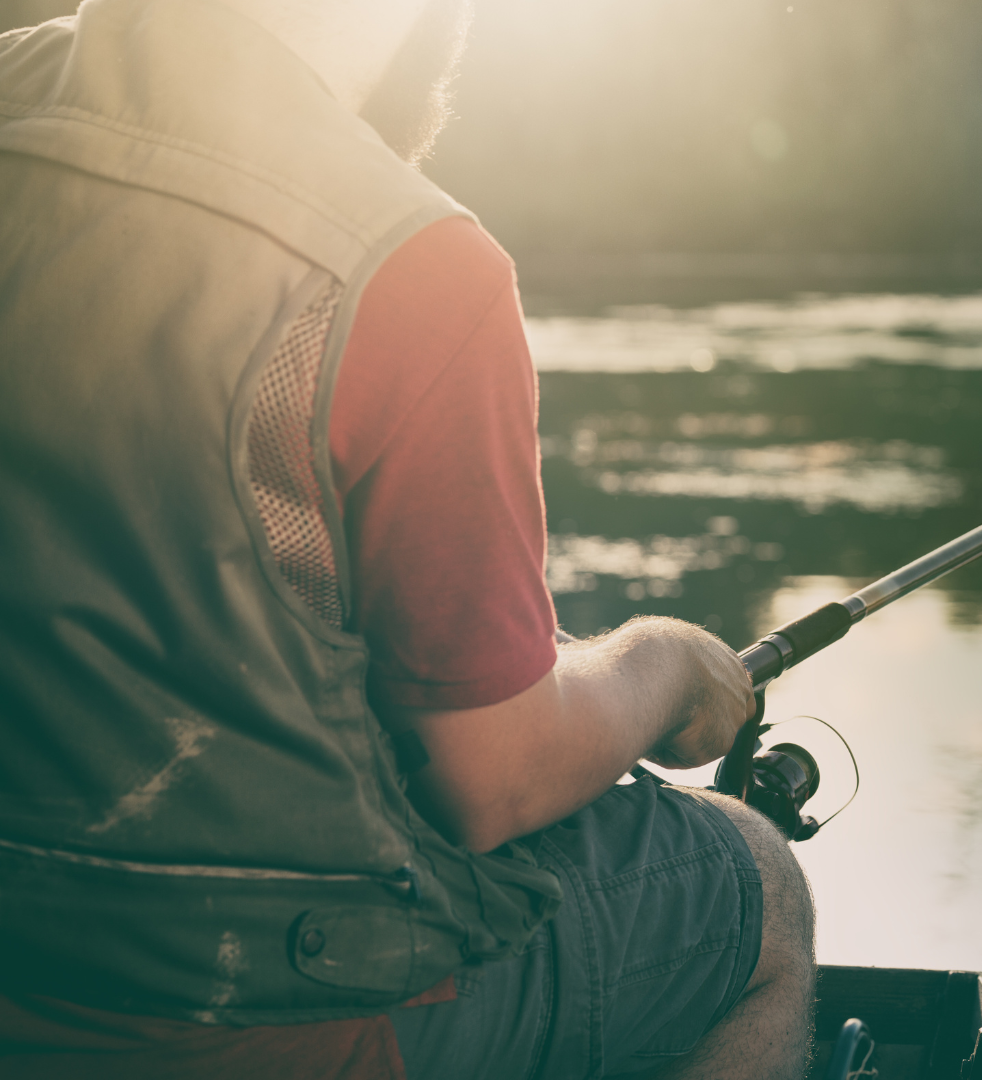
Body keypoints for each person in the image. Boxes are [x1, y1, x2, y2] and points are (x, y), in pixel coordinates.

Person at [0, 1, 814, 1077]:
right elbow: (491, 782)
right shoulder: (411, 262)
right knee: (757, 888)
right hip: (267, 1023)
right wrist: (662, 668)